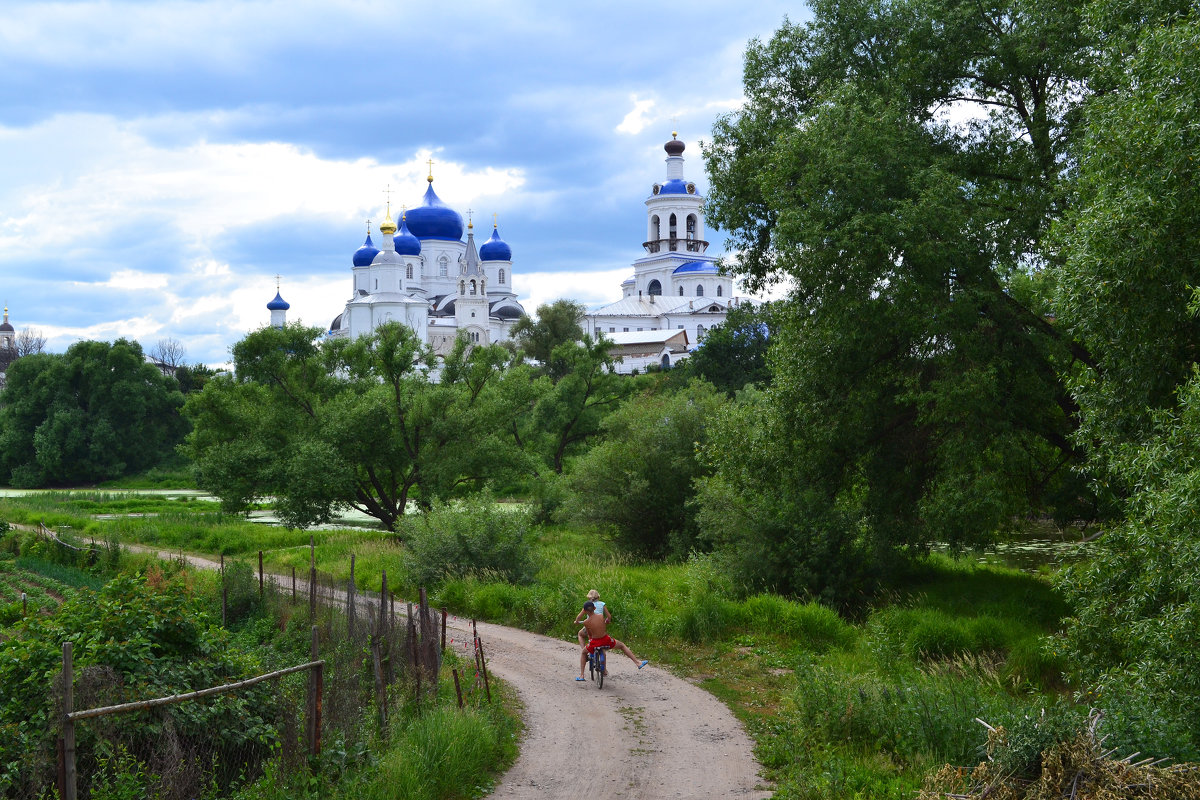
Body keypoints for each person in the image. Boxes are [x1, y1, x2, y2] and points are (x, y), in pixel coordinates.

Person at [576, 601, 647, 681]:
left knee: (583, 652)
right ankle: (638, 663)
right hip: (606, 640)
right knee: (622, 645)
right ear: (594, 608)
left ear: (585, 611)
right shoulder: (601, 616)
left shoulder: (586, 622)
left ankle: (582, 675)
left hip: (595, 642)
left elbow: (589, 634)